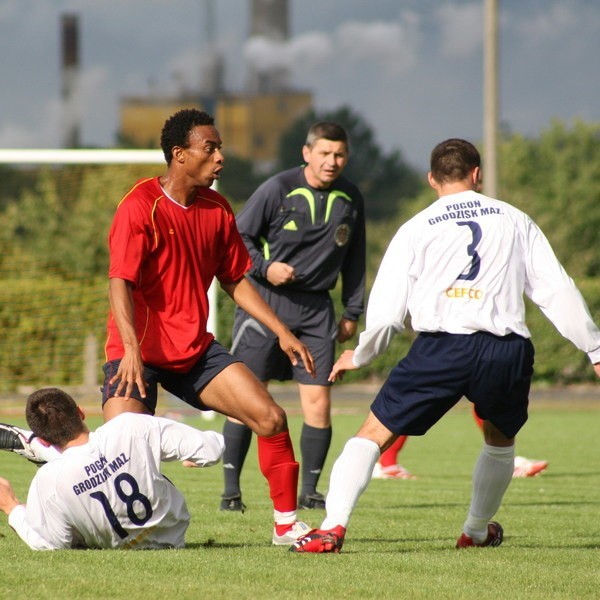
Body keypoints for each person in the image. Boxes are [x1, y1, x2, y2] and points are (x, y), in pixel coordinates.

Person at [290, 138, 600, 553]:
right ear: (477, 175)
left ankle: (332, 528)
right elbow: (555, 289)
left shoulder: (416, 228)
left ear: (432, 179)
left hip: (441, 348)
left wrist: (361, 355)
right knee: (499, 439)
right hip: (505, 348)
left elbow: (386, 311)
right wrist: (594, 348)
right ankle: (474, 532)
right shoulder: (514, 219)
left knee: (371, 434)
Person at [101, 108, 316, 546]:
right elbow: (119, 282)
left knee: (271, 418)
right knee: (117, 457)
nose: (220, 158)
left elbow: (235, 278)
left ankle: (286, 525)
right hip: (137, 354)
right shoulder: (140, 206)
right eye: (210, 148)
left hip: (194, 352)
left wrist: (281, 330)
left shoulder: (217, 208)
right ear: (180, 154)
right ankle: (51, 458)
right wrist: (130, 351)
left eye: (219, 148)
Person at [219, 121, 366, 512]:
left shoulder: (351, 197)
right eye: (324, 153)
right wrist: (266, 268)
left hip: (318, 310)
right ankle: (231, 492)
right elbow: (238, 238)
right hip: (265, 304)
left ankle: (311, 492)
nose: (331, 162)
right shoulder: (276, 188)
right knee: (247, 398)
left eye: (339, 155)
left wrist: (352, 310)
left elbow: (356, 257)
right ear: (307, 153)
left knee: (318, 403)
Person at [0, 387, 224, 550]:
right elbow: (211, 450)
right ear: (80, 412)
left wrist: (12, 506)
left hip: (114, 543)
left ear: (45, 440)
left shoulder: (46, 480)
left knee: (63, 497)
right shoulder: (130, 425)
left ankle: (40, 450)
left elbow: (49, 544)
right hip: (171, 536)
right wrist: (197, 459)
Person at [373, 408, 548, 480]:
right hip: (452, 340)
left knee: (485, 395)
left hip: (460, 340)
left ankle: (387, 463)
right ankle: (386, 463)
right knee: (414, 400)